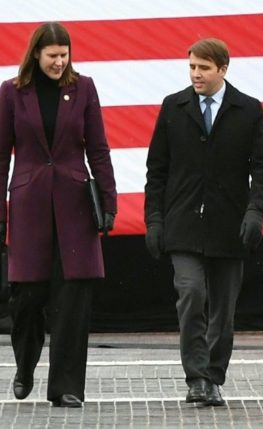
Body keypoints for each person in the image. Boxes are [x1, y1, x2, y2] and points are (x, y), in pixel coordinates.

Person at [144, 38, 263, 407]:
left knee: (223, 309)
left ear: (223, 69)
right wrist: (153, 220)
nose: (196, 74)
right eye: (192, 67)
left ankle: (214, 376)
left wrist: (254, 213)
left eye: (203, 67)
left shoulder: (248, 110)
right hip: (182, 225)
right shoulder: (174, 107)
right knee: (192, 293)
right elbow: (157, 171)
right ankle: (197, 377)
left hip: (229, 227)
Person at [0, 22, 117, 407]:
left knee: (73, 301)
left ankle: (67, 387)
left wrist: (108, 199)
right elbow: (1, 157)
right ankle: (25, 363)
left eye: (64, 54)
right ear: (36, 54)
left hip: (75, 207)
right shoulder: (11, 93)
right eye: (52, 55)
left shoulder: (83, 88)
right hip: (29, 206)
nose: (59, 61)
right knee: (28, 297)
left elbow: (98, 148)